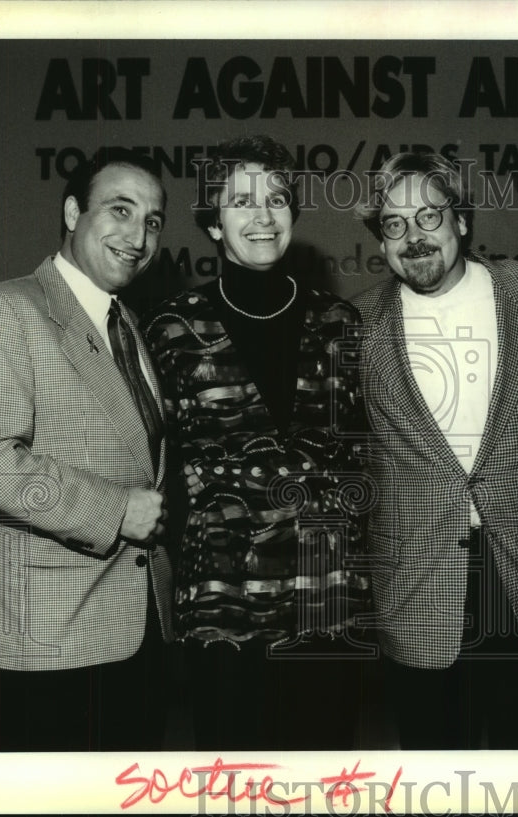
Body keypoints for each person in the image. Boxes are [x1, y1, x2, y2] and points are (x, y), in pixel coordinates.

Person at [142, 135, 372, 751]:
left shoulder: (340, 324)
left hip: (326, 596)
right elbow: (154, 465)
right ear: (213, 223)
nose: (262, 216)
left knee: (324, 775)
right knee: (235, 779)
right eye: (241, 202)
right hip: (224, 600)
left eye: (275, 199)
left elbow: (363, 457)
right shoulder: (173, 329)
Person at [0, 147, 173, 751]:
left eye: (151, 220)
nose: (138, 234)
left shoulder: (128, 327)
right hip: (48, 639)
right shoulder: (5, 308)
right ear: (72, 212)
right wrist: (117, 509)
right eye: (119, 210)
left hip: (137, 630)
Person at [352, 151, 518, 749]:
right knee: (433, 769)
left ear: (461, 221)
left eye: (429, 217)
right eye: (394, 224)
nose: (414, 237)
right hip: (415, 580)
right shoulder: (355, 326)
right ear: (381, 242)